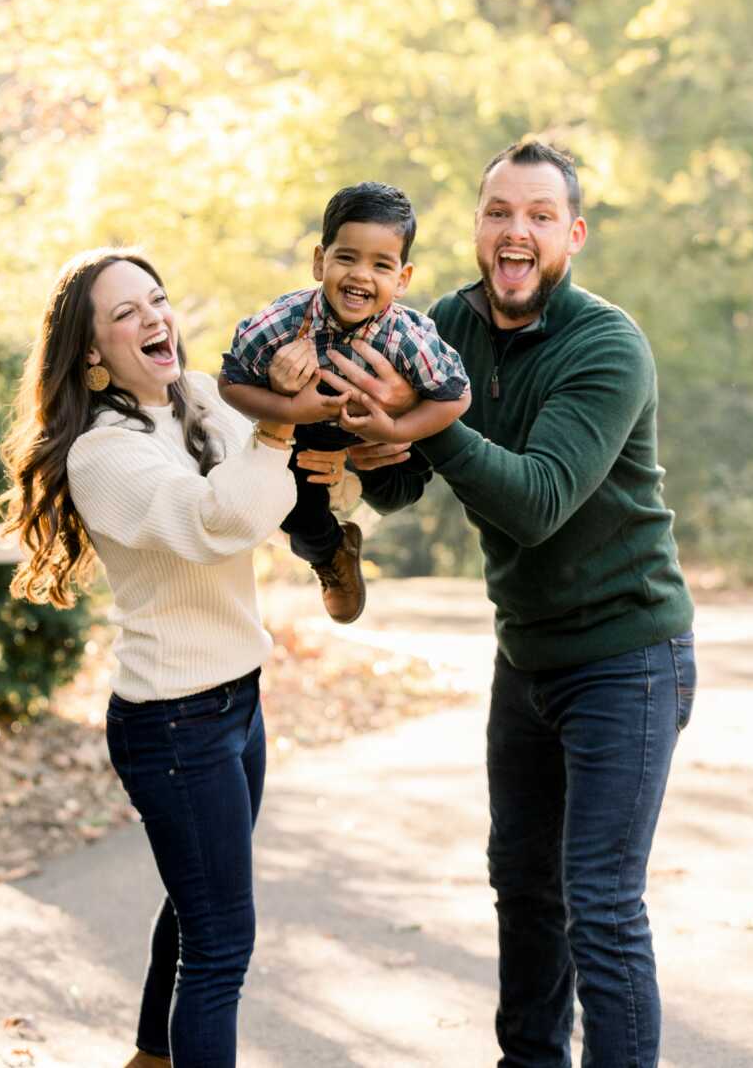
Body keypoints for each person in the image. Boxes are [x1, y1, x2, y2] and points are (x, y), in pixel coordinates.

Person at [300, 141, 697, 1068]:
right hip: (525, 658)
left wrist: (423, 423)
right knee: (522, 886)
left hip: (627, 658)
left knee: (598, 902)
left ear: (573, 234)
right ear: (476, 228)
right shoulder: (443, 324)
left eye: (539, 216)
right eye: (497, 213)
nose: (515, 232)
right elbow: (404, 487)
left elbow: (537, 502)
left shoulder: (606, 344)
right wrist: (361, 441)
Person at [0, 247, 343, 1068]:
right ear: (90, 351)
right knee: (223, 945)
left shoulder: (196, 399)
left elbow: (277, 485)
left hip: (236, 700)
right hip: (175, 726)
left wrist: (316, 429)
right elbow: (219, 519)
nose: (154, 318)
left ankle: (153, 1058)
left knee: (199, 916)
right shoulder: (100, 454)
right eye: (125, 313)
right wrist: (278, 428)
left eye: (156, 300)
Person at [218, 181, 470, 624]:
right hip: (308, 426)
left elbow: (457, 395)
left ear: (402, 278)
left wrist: (395, 429)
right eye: (347, 258)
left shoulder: (407, 337)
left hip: (387, 430)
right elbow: (230, 382)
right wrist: (290, 411)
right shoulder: (282, 324)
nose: (360, 276)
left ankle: (366, 472)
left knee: (403, 485)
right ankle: (333, 555)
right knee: (294, 511)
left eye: (381, 264)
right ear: (320, 262)